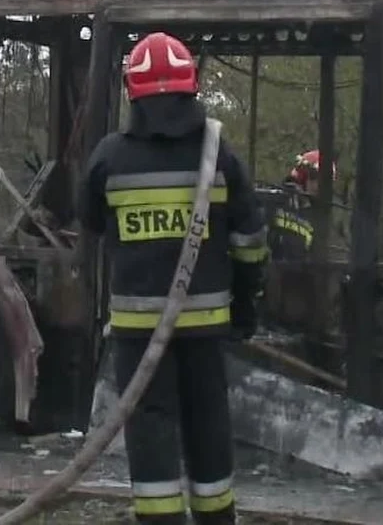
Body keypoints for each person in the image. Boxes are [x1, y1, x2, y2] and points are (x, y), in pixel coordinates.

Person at [78, 31, 268, 525]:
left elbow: (91, 224)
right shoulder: (220, 156)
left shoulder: (108, 157)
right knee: (208, 425)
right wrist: (245, 310)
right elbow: (251, 241)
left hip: (139, 335)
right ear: (193, 86)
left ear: (130, 90)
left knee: (151, 431)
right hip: (205, 330)